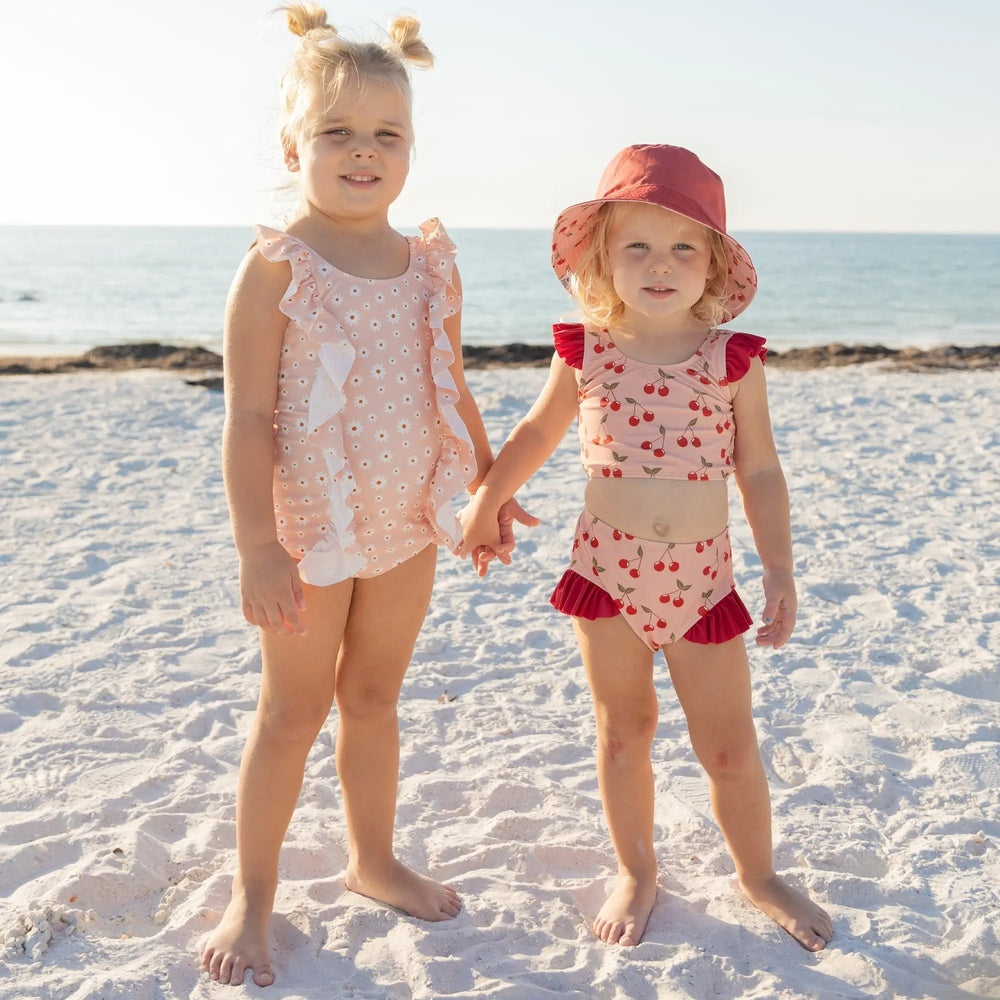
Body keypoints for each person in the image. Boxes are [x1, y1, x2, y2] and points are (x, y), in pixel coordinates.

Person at [200, 5, 523, 986]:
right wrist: (257, 542)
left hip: (408, 517)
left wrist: (487, 484)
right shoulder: (274, 268)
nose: (362, 152)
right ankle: (251, 895)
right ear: (292, 142)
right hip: (308, 527)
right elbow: (248, 419)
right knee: (292, 710)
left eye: (386, 134)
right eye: (338, 131)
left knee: (375, 696)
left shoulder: (429, 262)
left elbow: (447, 379)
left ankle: (371, 857)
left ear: (411, 149)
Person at [457, 145, 834, 951]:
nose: (659, 264)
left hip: (702, 581)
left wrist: (780, 568)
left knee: (728, 747)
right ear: (601, 257)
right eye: (637, 245)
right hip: (607, 572)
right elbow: (536, 431)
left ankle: (758, 874)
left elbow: (759, 470)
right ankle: (637, 870)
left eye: (682, 248)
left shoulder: (731, 362)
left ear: (714, 266)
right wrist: (489, 495)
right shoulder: (585, 350)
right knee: (623, 731)